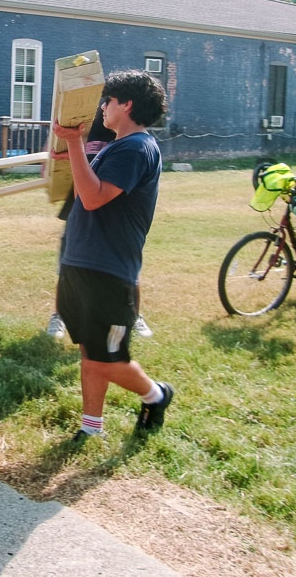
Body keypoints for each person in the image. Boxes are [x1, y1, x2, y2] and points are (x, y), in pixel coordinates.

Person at [52, 69, 172, 442]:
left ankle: (156, 394)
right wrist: (68, 153)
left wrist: (75, 143)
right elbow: (83, 194)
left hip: (109, 270)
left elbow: (93, 198)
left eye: (109, 100)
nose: (103, 107)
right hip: (83, 262)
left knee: (109, 357)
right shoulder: (116, 146)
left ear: (127, 105)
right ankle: (91, 427)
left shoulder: (136, 148)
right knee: (92, 351)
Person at [47, 105, 152, 339]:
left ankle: (133, 316)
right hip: (82, 197)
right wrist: (63, 151)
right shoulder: (87, 116)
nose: (104, 107)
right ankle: (60, 315)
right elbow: (66, 141)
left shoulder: (127, 134)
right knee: (69, 258)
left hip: (114, 204)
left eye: (110, 101)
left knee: (125, 263)